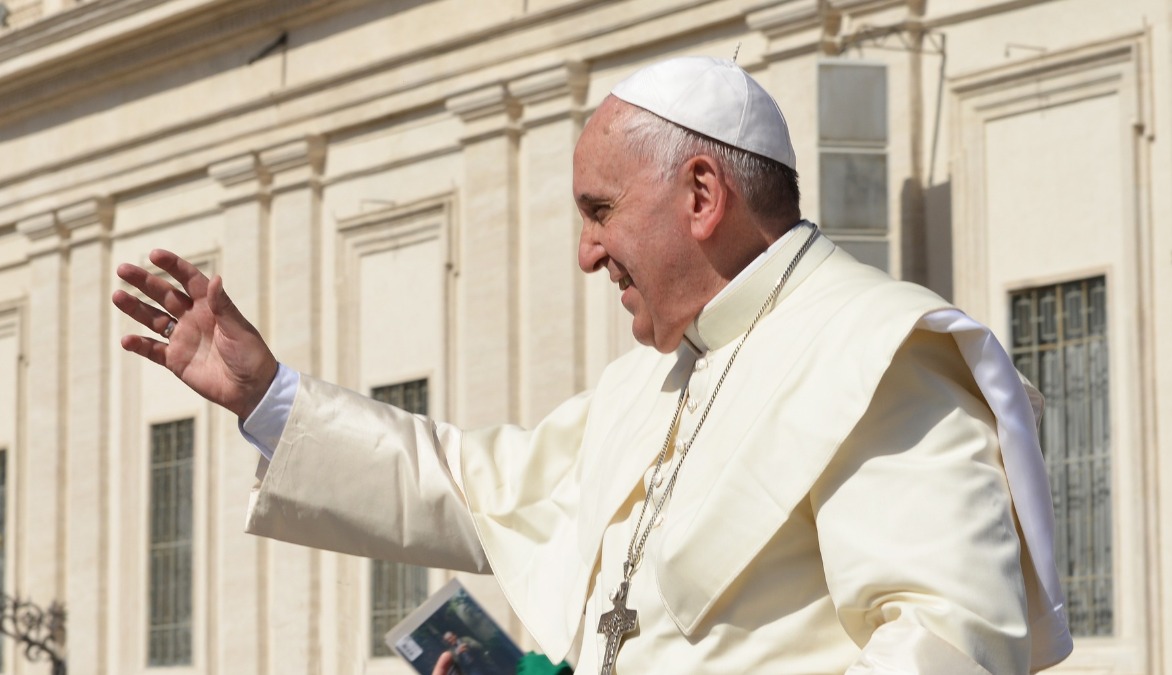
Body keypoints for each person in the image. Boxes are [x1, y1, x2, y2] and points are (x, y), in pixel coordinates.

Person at [113, 56, 1073, 673]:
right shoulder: (647, 385)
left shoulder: (882, 352)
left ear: (701, 194)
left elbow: (950, 648)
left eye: (599, 209)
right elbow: (472, 487)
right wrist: (267, 396)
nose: (583, 252)